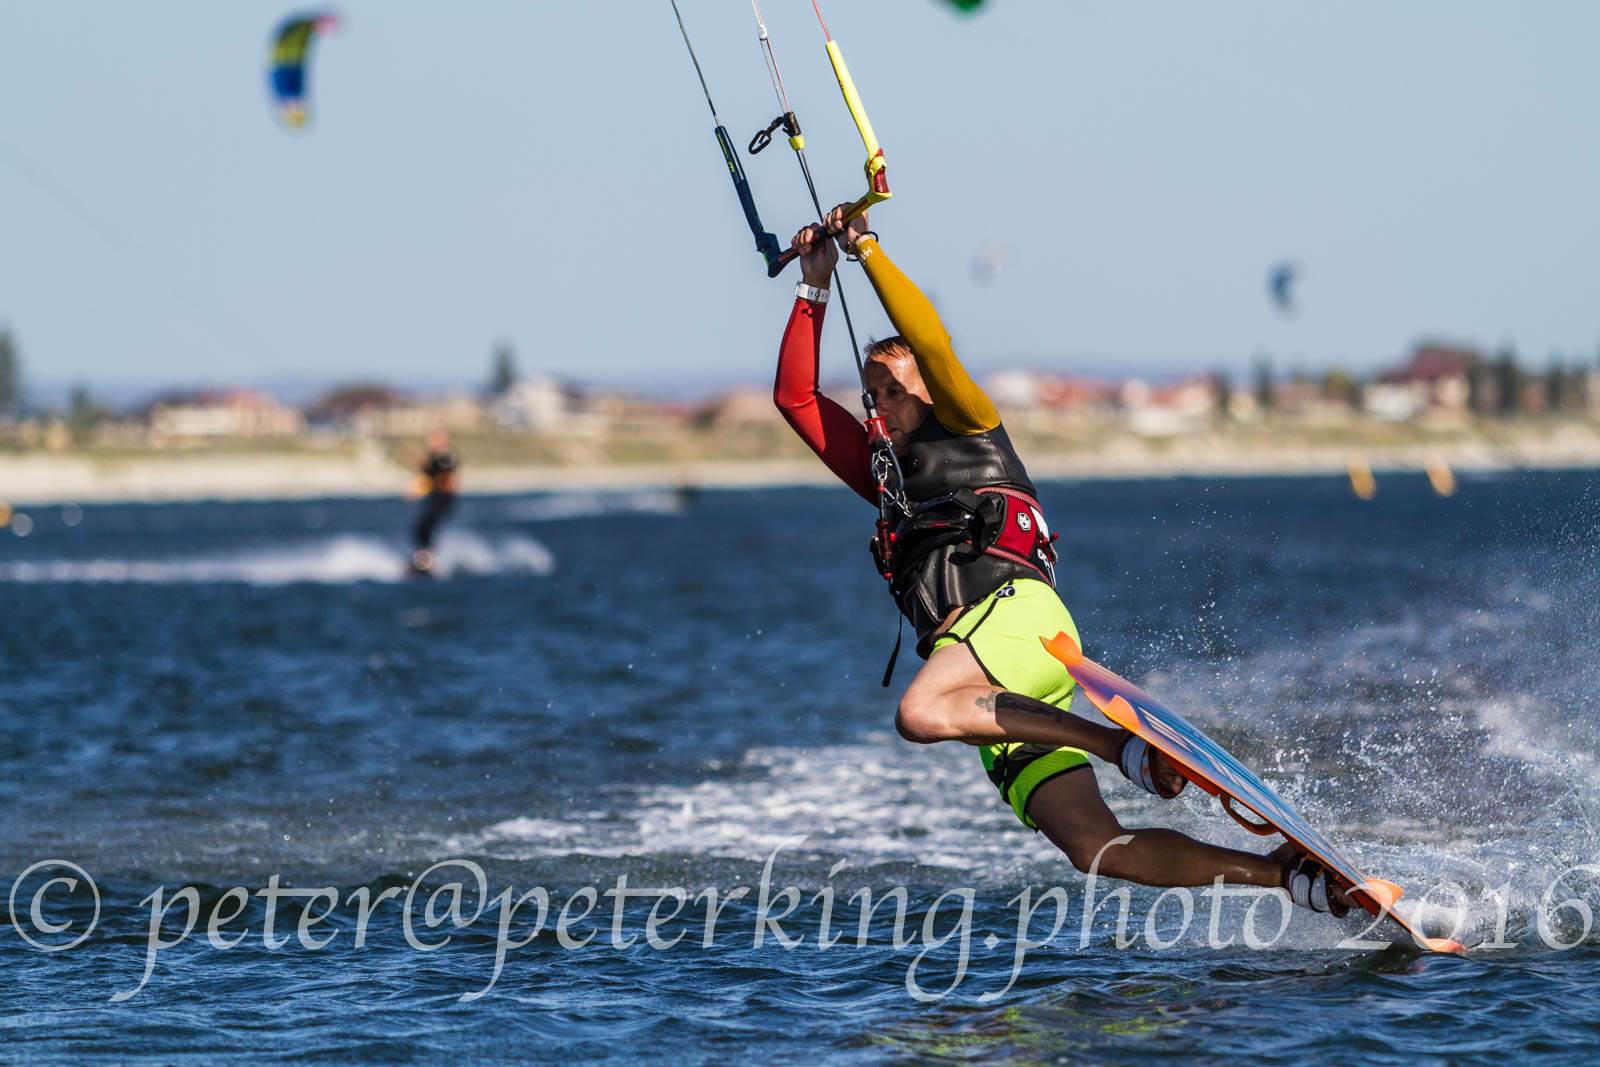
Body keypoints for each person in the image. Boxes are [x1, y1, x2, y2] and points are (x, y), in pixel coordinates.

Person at [773, 207, 1349, 914]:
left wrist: (865, 248)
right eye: (873, 394)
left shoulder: (969, 424)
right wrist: (814, 285)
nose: (882, 404)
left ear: (929, 388)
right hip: (996, 688)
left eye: (896, 388)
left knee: (919, 713)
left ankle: (1117, 746)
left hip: (1012, 620)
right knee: (1097, 849)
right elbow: (795, 398)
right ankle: (1288, 877)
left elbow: (930, 342)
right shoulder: (885, 475)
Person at [410, 428, 459, 576]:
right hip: (435, 497)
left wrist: (426, 465)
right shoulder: (434, 458)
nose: (429, 443)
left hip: (444, 499)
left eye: (433, 440)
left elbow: (443, 474)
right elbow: (427, 477)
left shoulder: (446, 457)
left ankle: (430, 562)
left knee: (425, 529)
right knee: (421, 531)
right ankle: (425, 559)